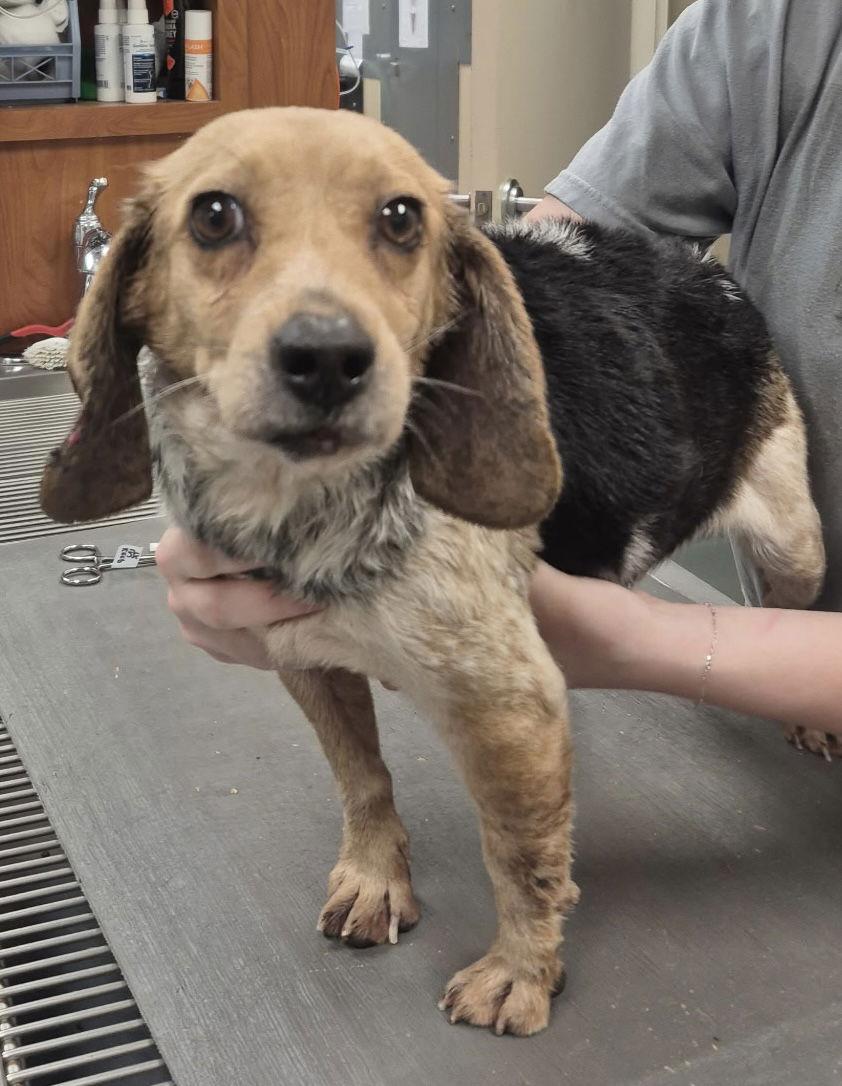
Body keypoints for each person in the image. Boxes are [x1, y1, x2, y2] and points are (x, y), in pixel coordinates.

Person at [156, 0, 842, 735]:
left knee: (795, 558)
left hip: (755, 611)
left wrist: (639, 640)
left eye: (393, 224)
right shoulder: (776, 18)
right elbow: (551, 266)